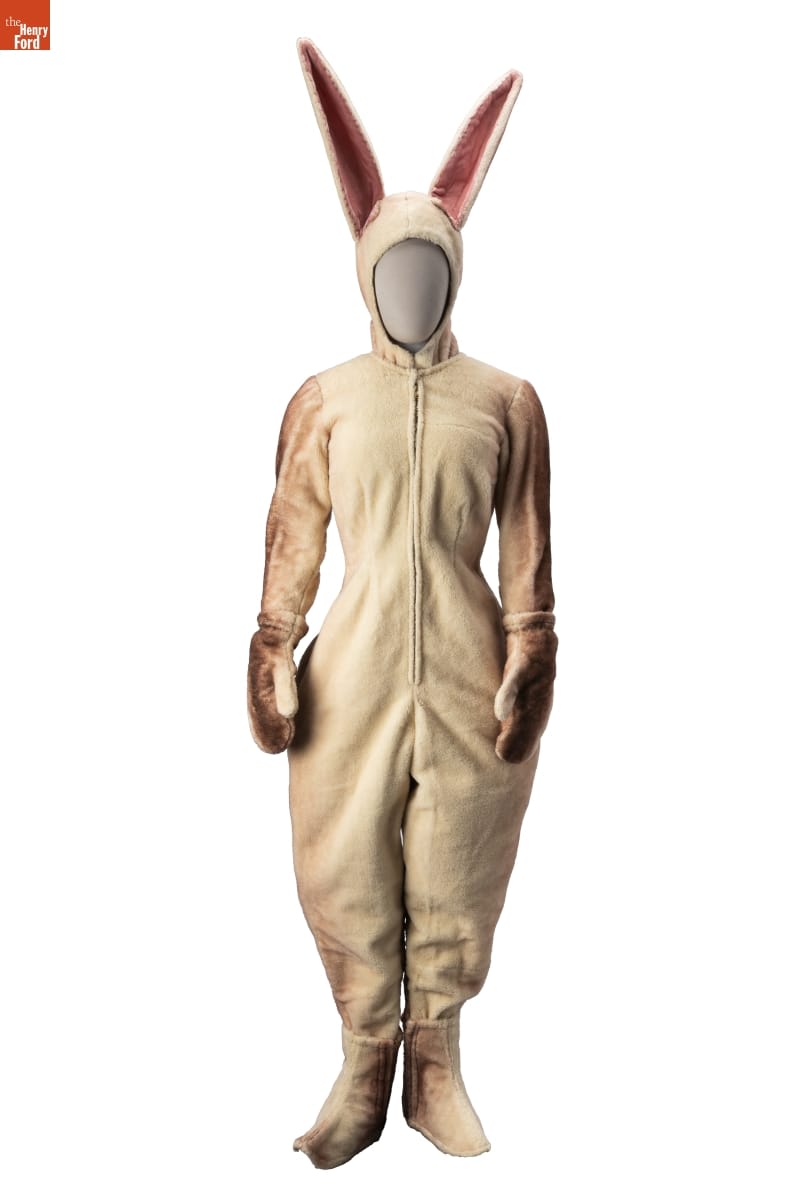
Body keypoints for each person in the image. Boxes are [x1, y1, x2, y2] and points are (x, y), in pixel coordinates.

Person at [247, 37, 558, 1169]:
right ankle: (360, 1066)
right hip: (352, 673)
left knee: (460, 864)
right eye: (392, 272)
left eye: (428, 271)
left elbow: (527, 552)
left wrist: (529, 652)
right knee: (342, 866)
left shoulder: (505, 403)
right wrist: (274, 646)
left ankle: (436, 1070)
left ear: (454, 274)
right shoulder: (325, 401)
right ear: (366, 275)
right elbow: (293, 536)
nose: (410, 291)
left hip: (470, 676)